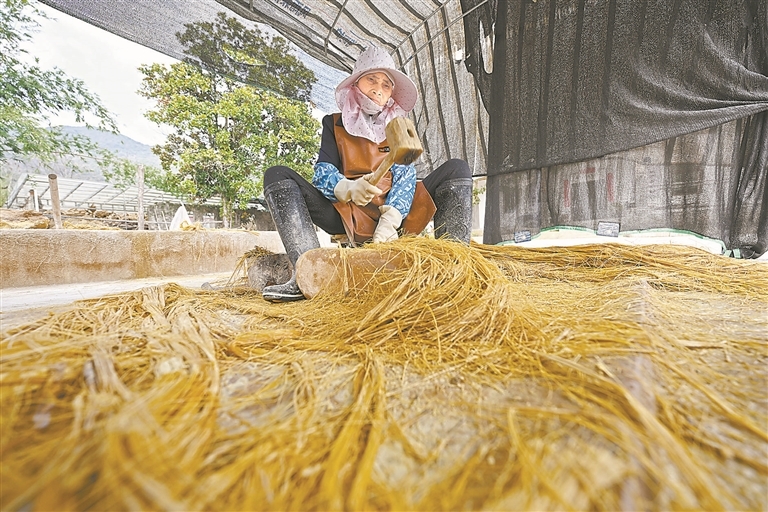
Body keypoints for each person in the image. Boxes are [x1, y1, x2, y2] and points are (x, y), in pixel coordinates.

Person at [262, 45, 473, 302]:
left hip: (396, 220)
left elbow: (406, 175)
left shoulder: (398, 125)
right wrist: (347, 188)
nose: (379, 89)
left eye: (386, 85)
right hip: (346, 212)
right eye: (372, 79)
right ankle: (306, 276)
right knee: (277, 174)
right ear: (356, 83)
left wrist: (391, 218)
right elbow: (323, 171)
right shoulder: (334, 124)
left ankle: (458, 272)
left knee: (457, 169)